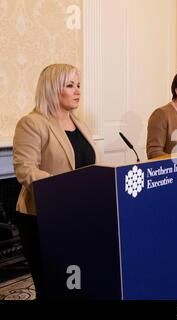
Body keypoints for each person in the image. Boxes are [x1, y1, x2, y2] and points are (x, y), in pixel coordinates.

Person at [13, 64, 99, 299]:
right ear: (52, 89)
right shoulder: (32, 123)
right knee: (51, 286)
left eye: (78, 85)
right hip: (42, 217)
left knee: (76, 282)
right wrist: (67, 189)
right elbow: (25, 170)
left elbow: (92, 164)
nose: (77, 91)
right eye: (70, 85)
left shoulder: (80, 124)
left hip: (79, 215)